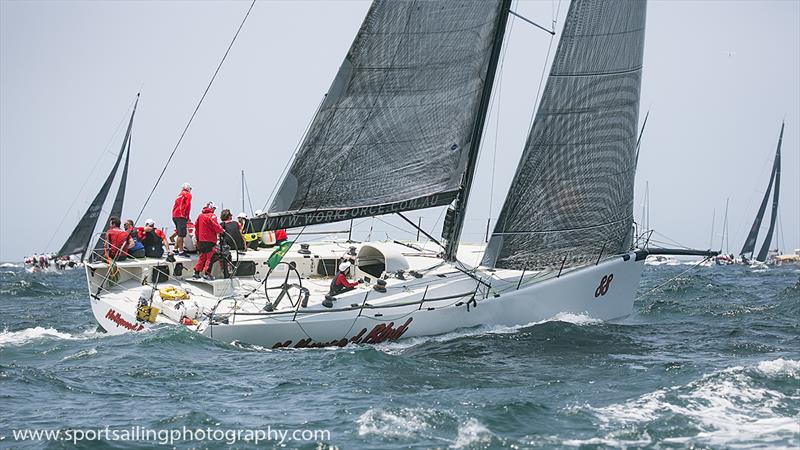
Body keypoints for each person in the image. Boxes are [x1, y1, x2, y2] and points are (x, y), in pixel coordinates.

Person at [193, 201, 224, 280]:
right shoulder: (212, 216)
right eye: (214, 208)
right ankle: (207, 273)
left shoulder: (200, 216)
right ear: (211, 208)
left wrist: (197, 239)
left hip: (201, 240)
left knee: (202, 256)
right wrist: (222, 231)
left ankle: (196, 272)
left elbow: (196, 228)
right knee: (210, 257)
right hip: (210, 240)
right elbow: (215, 226)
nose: (214, 210)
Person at [172, 182, 192, 256]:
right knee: (182, 234)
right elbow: (187, 205)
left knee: (179, 233)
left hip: (175, 216)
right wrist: (187, 216)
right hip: (181, 216)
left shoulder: (179, 195)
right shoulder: (187, 194)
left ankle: (175, 249)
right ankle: (181, 251)